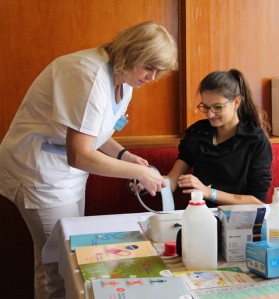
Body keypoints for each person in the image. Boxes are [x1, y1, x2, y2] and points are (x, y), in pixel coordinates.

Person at [0, 21, 178, 298]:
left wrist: (124, 155)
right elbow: (80, 153)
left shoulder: (125, 79)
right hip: (40, 174)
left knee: (61, 258)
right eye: (149, 67)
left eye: (158, 71)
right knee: (57, 266)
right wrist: (138, 172)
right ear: (131, 53)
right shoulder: (88, 74)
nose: (152, 77)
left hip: (67, 175)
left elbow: (94, 130)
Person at [166, 69, 272, 206]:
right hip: (200, 215)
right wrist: (149, 181)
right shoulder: (197, 133)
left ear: (236, 103)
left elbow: (257, 201)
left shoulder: (255, 140)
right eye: (205, 107)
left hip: (239, 220)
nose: (209, 114)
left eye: (217, 107)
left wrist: (209, 193)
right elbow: (173, 179)